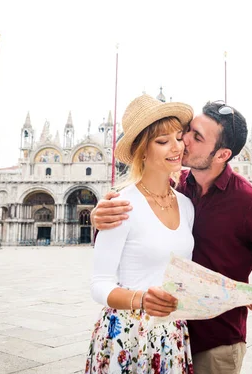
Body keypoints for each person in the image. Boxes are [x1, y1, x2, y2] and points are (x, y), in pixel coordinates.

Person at [92, 101, 252, 374]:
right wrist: (100, 220)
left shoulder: (249, 202)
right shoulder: (177, 186)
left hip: (215, 340)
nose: (183, 142)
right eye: (185, 132)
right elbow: (132, 239)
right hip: (165, 333)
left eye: (194, 137)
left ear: (222, 154)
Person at [85, 94, 196, 374]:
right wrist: (142, 300)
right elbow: (99, 284)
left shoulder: (186, 205)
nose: (176, 147)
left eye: (179, 137)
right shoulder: (120, 205)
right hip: (128, 333)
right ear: (142, 151)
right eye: (162, 141)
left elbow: (182, 274)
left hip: (171, 334)